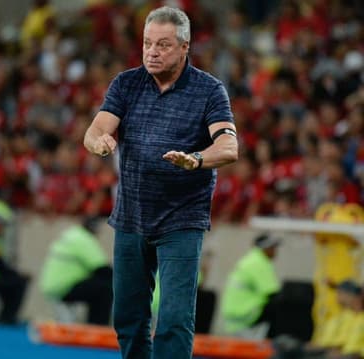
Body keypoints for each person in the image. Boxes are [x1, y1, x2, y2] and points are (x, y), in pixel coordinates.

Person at [83, 6, 238, 358]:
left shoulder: (209, 91)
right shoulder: (126, 83)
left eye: (163, 45)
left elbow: (229, 147)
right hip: (131, 218)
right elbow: (95, 129)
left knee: (173, 318)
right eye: (147, 43)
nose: (152, 51)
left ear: (185, 47)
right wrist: (100, 143)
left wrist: (197, 159)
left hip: (181, 221)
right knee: (128, 317)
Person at [39, 216, 112, 325]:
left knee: (100, 285)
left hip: (52, 285)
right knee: (106, 288)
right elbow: (102, 268)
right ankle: (97, 327)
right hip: (64, 287)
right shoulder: (85, 239)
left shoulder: (71, 234)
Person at [220, 233, 282, 337]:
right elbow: (272, 293)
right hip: (246, 313)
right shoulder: (259, 262)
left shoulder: (249, 259)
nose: (275, 251)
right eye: (273, 247)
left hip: (234, 314)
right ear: (265, 248)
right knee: (281, 307)